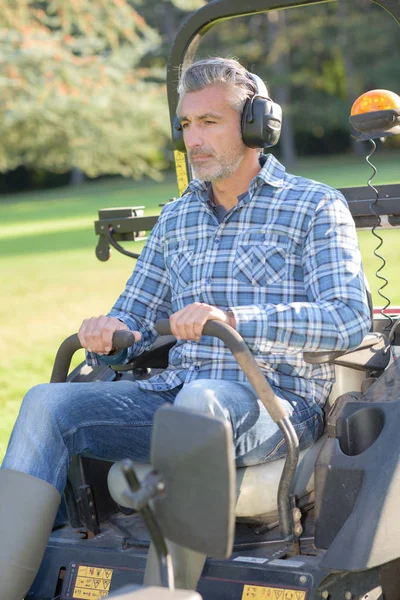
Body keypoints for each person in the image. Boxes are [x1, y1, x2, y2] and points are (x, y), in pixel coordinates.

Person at [0, 57, 371, 599]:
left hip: (275, 404)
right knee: (46, 402)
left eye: (209, 123)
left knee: (203, 398)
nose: (193, 139)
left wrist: (235, 321)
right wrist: (109, 329)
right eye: (186, 125)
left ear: (255, 126)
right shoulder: (177, 219)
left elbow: (347, 318)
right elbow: (134, 314)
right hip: (173, 400)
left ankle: (163, 590)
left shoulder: (313, 207)